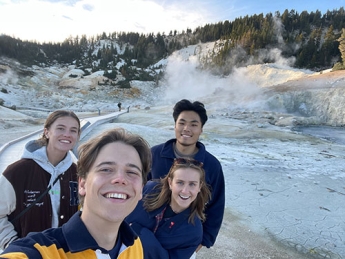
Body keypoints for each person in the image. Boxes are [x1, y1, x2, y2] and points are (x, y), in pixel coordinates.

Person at [0, 128, 152, 258]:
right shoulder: (41, 252)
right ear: (82, 183)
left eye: (131, 172)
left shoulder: (134, 245)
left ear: (140, 190)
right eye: (106, 169)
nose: (120, 179)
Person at [149, 99, 225, 252]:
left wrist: (205, 240)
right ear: (175, 125)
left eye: (193, 124)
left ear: (201, 129)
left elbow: (216, 205)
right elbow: (137, 188)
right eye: (182, 123)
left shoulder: (212, 165)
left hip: (183, 240)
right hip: (148, 230)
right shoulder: (154, 154)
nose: (186, 128)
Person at [0, 110, 81, 250]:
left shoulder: (78, 173)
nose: (67, 134)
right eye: (60, 128)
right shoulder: (17, 172)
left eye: (73, 130)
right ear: (47, 132)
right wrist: (13, 244)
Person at [126, 158, 211, 259]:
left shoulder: (193, 232)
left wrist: (140, 232)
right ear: (170, 183)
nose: (185, 191)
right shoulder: (148, 190)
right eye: (180, 182)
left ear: (199, 187)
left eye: (192, 184)